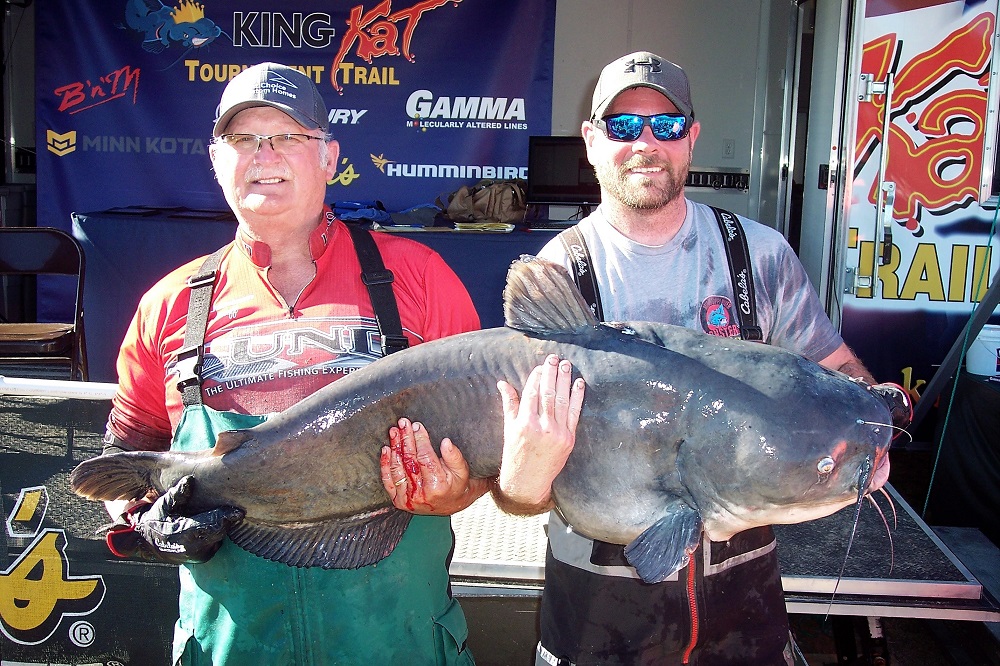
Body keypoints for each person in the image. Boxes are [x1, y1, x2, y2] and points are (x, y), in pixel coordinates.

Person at [488, 51, 904, 665]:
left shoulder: (758, 256)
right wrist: (519, 482)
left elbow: (833, 365)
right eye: (625, 126)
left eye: (667, 125)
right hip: (596, 614)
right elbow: (516, 491)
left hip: (743, 610)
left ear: (691, 139)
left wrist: (870, 415)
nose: (646, 143)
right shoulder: (557, 274)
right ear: (592, 140)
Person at [99, 62, 485, 665]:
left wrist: (454, 490)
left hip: (395, 642)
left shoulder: (420, 279)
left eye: (287, 136)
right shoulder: (168, 305)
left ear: (329, 157)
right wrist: (147, 519)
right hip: (233, 647)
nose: (264, 154)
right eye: (243, 138)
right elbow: (122, 468)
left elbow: (490, 457)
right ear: (215, 159)